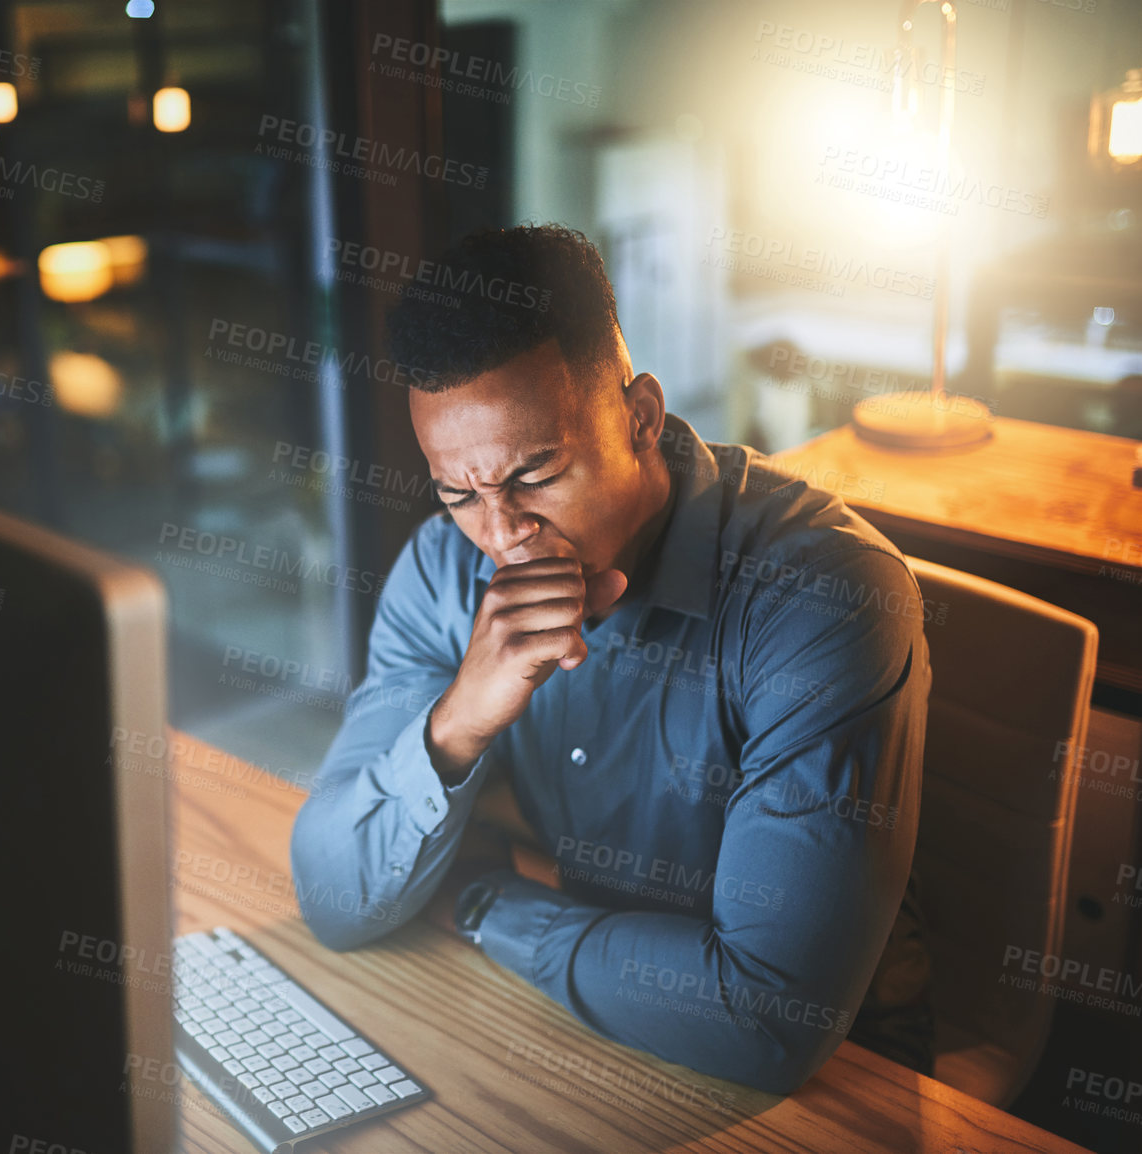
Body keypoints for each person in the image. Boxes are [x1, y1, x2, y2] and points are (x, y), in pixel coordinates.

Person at [288, 224, 935, 1094]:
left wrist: (484, 904)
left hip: (851, 1079)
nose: (503, 533)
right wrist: (459, 722)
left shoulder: (821, 600)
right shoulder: (444, 572)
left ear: (640, 419)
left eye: (537, 473)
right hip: (588, 1025)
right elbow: (332, 899)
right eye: (458, 494)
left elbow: (765, 1018)